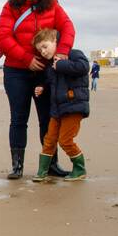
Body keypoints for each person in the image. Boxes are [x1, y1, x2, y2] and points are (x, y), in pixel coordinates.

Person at [0, 0, 76, 179]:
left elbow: (68, 28)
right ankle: (17, 167)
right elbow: (3, 37)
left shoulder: (52, 5)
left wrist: (63, 52)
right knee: (18, 119)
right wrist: (27, 58)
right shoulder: (10, 7)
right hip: (16, 71)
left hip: (45, 73)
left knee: (48, 119)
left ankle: (51, 164)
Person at [29, 29, 90, 181]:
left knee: (65, 140)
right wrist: (42, 87)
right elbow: (51, 82)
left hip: (73, 106)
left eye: (45, 46)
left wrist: (62, 64)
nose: (43, 52)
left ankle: (80, 169)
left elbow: (84, 67)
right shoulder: (51, 65)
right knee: (49, 139)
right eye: (39, 50)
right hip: (57, 110)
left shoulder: (74, 54)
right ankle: (42, 171)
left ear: (55, 41)